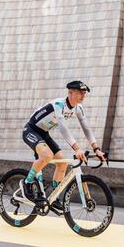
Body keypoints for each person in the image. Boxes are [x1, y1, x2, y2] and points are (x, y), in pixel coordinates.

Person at [21, 81, 106, 211]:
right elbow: (63, 129)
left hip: (44, 133)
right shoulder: (58, 105)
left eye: (84, 93)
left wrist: (96, 149)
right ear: (70, 93)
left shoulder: (78, 108)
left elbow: (86, 128)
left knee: (62, 163)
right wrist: (77, 148)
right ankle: (27, 183)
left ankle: (54, 197)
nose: (83, 95)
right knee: (47, 155)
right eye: (80, 93)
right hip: (31, 130)